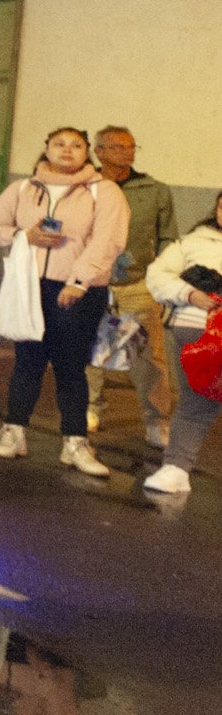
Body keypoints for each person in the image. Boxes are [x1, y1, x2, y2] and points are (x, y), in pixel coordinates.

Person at [0, 126, 129, 475]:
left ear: (87, 152)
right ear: (46, 148)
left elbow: (108, 241)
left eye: (76, 145)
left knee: (70, 366)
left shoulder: (103, 191)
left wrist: (79, 280)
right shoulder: (23, 188)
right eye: (59, 144)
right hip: (30, 287)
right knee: (27, 361)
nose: (67, 150)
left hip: (78, 290)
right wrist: (24, 235)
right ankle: (14, 431)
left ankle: (75, 443)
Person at [86, 126, 181, 444]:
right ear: (98, 151)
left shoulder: (153, 190)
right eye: (116, 147)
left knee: (149, 355)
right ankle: (90, 409)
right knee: (91, 349)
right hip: (92, 281)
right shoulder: (86, 187)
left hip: (137, 283)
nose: (126, 152)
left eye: (130, 147)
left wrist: (161, 277)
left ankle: (157, 421)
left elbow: (168, 237)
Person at [143, 197, 222, 495]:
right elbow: (157, 275)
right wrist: (189, 293)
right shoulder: (193, 242)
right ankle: (176, 469)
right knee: (197, 400)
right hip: (197, 329)